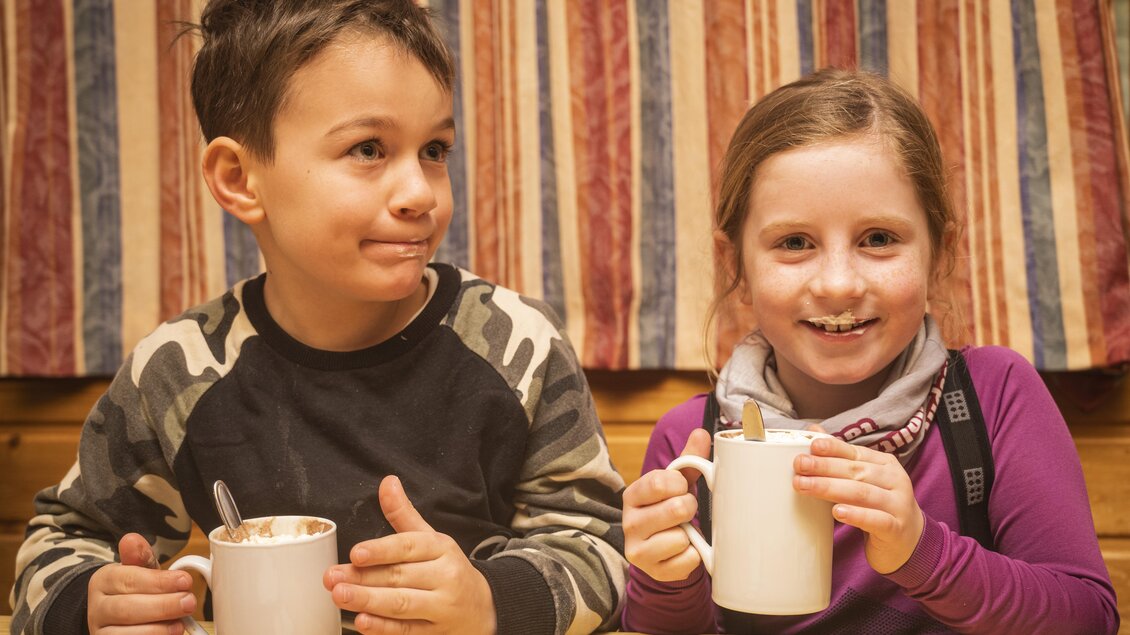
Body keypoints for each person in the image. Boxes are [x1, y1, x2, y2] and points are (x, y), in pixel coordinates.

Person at [8, 2, 627, 634]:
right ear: (240, 178)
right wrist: (93, 603)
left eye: (435, 149)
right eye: (368, 148)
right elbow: (61, 544)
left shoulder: (517, 342)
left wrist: (491, 602)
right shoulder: (177, 372)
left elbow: (601, 547)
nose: (420, 193)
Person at [620, 68, 1119, 634]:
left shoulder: (994, 396)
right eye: (794, 243)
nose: (838, 284)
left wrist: (923, 551)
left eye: (878, 239)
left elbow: (1087, 619)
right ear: (735, 263)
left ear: (939, 252)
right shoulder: (694, 442)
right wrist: (664, 579)